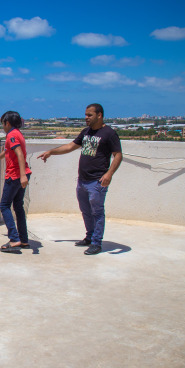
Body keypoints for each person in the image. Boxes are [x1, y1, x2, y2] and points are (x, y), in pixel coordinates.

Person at [37, 103, 122, 255]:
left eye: (89, 115)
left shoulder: (109, 133)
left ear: (99, 115)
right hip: (82, 180)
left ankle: (97, 243)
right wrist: (51, 152)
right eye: (85, 115)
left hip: (97, 181)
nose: (86, 118)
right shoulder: (86, 132)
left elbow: (118, 155)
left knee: (97, 212)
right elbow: (70, 146)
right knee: (86, 211)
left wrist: (109, 174)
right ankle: (89, 237)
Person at [0, 110, 33, 252]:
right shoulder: (18, 134)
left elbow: (19, 154)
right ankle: (24, 240)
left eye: (3, 123)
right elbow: (9, 151)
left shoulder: (11, 135)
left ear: (7, 123)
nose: (2, 126)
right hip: (21, 174)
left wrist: (21, 176)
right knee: (18, 206)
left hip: (14, 176)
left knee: (4, 206)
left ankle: (14, 239)